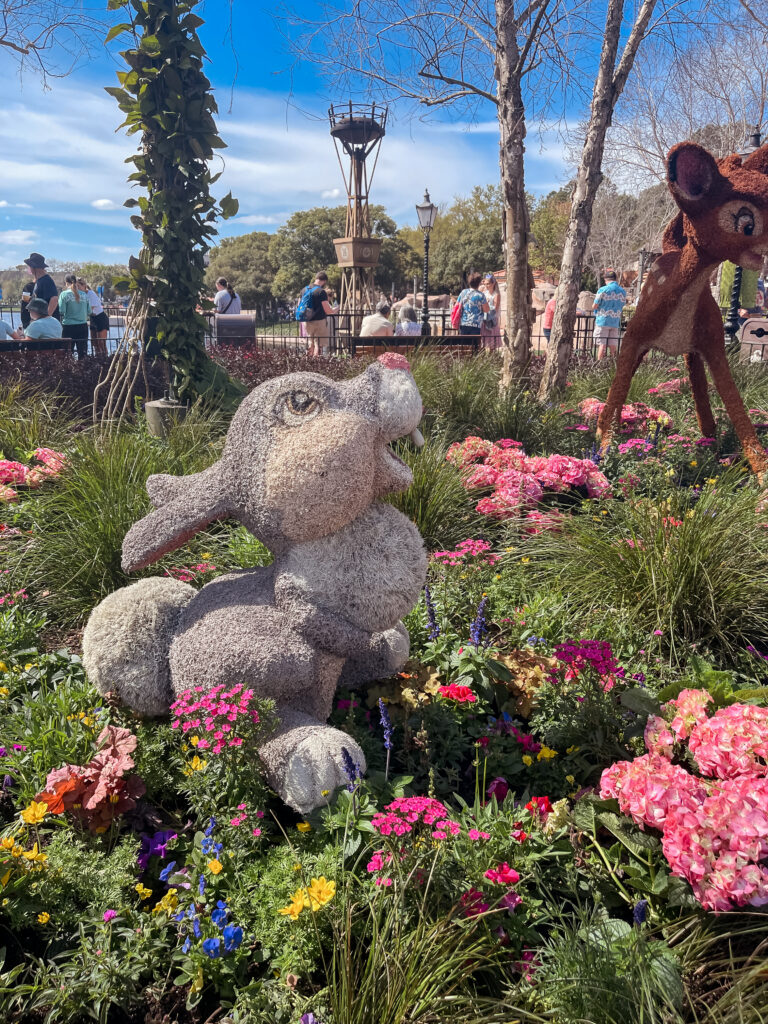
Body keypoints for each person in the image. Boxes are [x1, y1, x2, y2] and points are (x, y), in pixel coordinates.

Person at [592, 270, 627, 359]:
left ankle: (599, 365)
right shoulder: (622, 291)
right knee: (613, 345)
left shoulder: (603, 290)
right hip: (615, 321)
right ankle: (614, 364)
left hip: (602, 320)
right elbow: (623, 304)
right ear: (615, 279)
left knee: (602, 344)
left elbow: (595, 305)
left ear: (605, 280)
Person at [301, 272, 337, 357]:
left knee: (310, 343)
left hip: (307, 321)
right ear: (324, 281)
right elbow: (328, 310)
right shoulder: (321, 292)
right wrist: (337, 309)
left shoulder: (304, 290)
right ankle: (317, 362)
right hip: (319, 321)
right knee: (319, 345)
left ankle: (308, 361)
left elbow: (299, 305)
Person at [58, 274, 91, 359]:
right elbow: (89, 311)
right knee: (83, 353)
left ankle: (69, 371)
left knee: (67, 353)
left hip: (68, 326)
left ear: (66, 283)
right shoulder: (84, 295)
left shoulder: (64, 294)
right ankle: (84, 370)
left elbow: (62, 310)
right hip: (83, 326)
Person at [21, 253, 59, 322]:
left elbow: (54, 299)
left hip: (45, 324)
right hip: (39, 321)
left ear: (34, 267)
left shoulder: (46, 280)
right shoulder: (39, 281)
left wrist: (46, 319)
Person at [78, 277, 109, 356]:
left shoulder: (90, 294)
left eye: (79, 286)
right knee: (94, 343)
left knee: (101, 342)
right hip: (93, 318)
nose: (77, 289)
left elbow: (89, 309)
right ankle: (97, 359)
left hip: (100, 318)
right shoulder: (81, 295)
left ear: (84, 285)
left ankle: (105, 358)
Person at [456, 272, 489, 337]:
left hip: (464, 323)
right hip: (476, 324)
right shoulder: (481, 295)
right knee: (474, 345)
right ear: (479, 283)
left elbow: (457, 305)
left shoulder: (463, 292)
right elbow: (486, 310)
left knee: (464, 345)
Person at [480, 273, 502, 350]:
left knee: (492, 343)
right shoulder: (484, 293)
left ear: (493, 283)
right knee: (483, 342)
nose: (486, 286)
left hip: (492, 320)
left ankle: (492, 359)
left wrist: (487, 304)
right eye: (485, 284)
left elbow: (495, 308)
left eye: (488, 284)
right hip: (484, 319)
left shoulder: (496, 294)